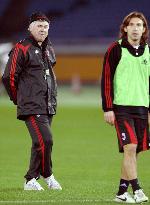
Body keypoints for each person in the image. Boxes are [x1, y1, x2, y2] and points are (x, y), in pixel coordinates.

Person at [2, 12, 62, 191]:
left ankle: (35, 179)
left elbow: (48, 74)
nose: (42, 29)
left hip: (48, 103)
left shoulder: (49, 48)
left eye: (45, 27)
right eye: (39, 26)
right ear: (30, 27)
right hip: (31, 104)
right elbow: (8, 76)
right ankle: (44, 175)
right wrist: (18, 98)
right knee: (47, 140)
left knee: (39, 143)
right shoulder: (22, 48)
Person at [101, 11, 150, 203]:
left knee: (135, 151)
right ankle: (137, 190)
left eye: (139, 25)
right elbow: (106, 79)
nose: (136, 28)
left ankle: (121, 192)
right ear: (125, 28)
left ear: (144, 29)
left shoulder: (148, 51)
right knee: (130, 147)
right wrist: (107, 108)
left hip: (142, 108)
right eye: (132, 25)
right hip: (121, 108)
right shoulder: (115, 49)